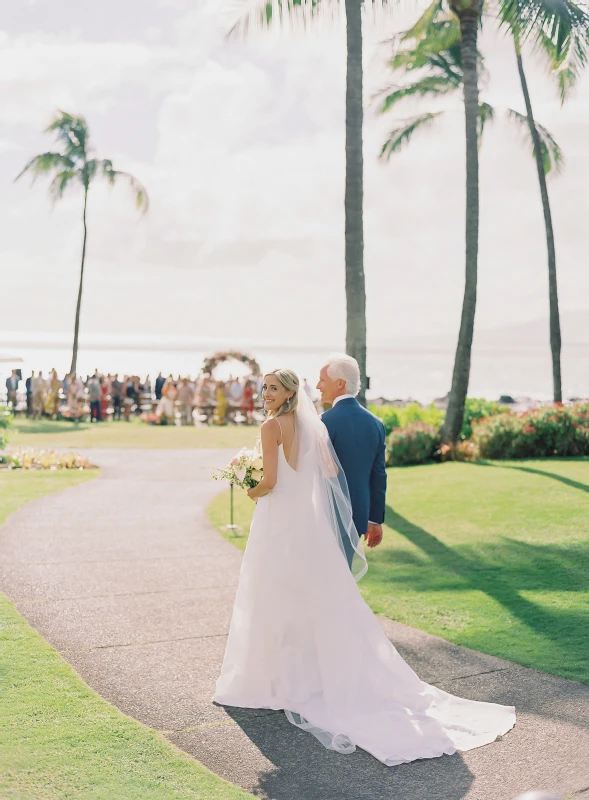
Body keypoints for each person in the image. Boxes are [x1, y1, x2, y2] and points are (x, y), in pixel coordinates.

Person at [214, 367, 515, 767]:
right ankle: (302, 678)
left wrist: (246, 484)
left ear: (288, 393)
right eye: (264, 387)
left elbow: (269, 480)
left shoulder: (272, 427)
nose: (266, 393)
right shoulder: (312, 425)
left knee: (272, 595)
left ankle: (275, 682)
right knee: (310, 600)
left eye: (272, 388)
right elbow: (329, 473)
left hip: (278, 524)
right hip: (307, 526)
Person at [318, 354, 386, 561]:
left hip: (325, 513)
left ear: (340, 384)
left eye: (322, 379)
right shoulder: (376, 423)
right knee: (341, 575)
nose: (318, 385)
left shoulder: (323, 422)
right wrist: (374, 519)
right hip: (358, 514)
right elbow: (378, 475)